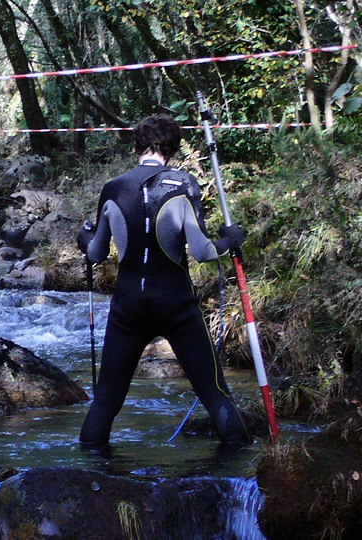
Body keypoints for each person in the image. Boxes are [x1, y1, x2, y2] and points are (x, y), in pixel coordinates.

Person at [76, 115, 251, 446]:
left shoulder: (113, 188)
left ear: (138, 145)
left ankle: (88, 477)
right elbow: (203, 251)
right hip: (176, 304)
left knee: (106, 401)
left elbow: (96, 253)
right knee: (214, 394)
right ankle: (237, 473)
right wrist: (230, 239)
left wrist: (82, 237)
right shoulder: (184, 185)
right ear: (172, 148)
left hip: (128, 306)